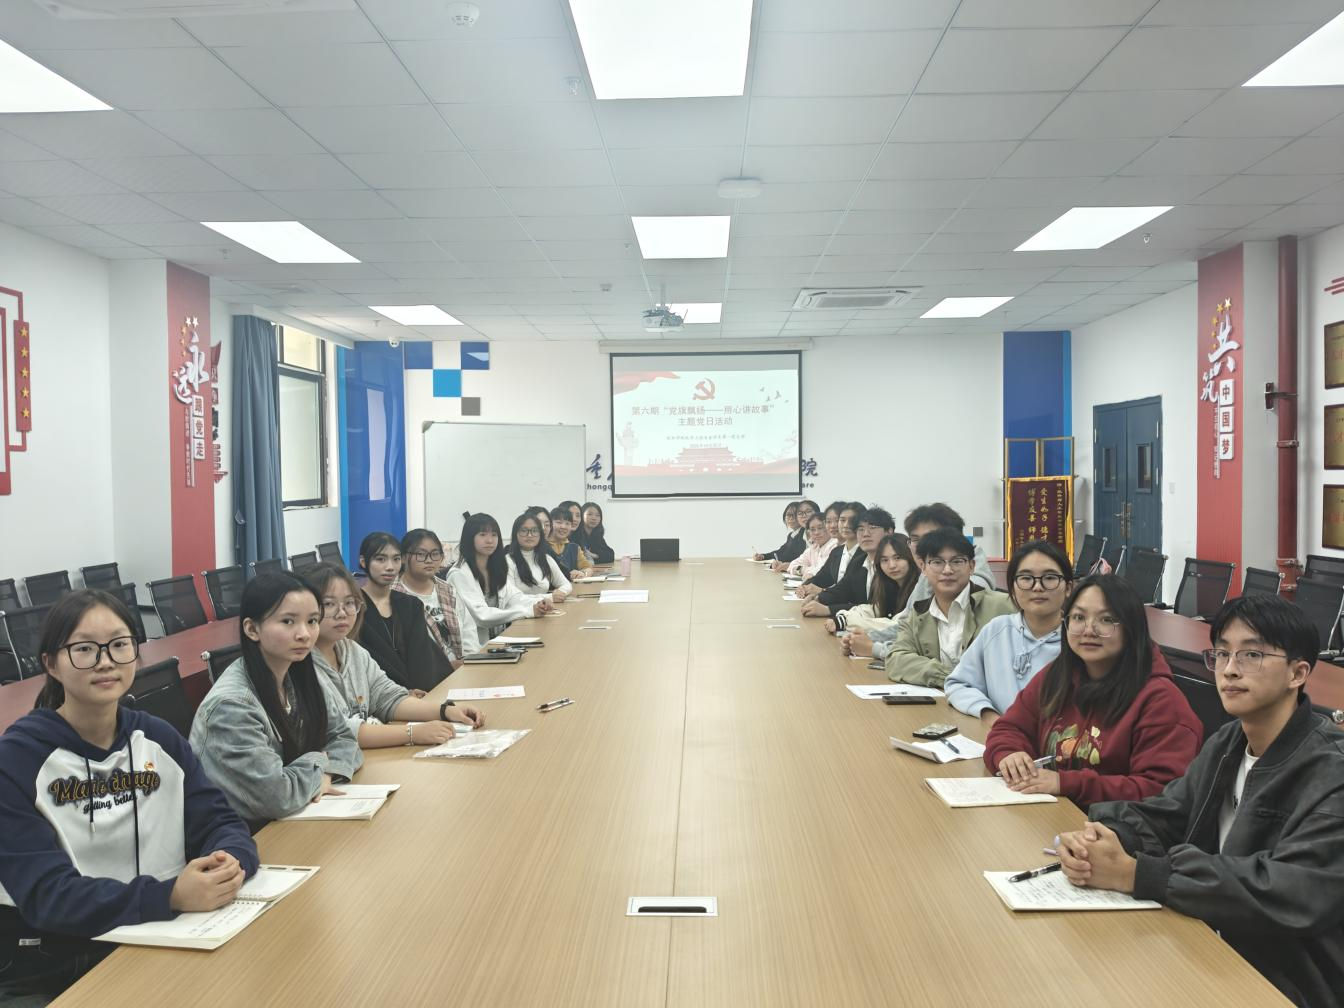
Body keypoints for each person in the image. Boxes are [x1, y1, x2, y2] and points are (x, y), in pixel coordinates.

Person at [1058, 595, 1344, 1008]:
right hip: (1212, 944)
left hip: (1288, 981)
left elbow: (1288, 890)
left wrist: (1141, 875)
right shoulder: (1229, 741)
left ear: (1298, 673)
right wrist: (1105, 839)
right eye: (1223, 653)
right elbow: (1169, 814)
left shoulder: (1332, 770)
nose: (1229, 669)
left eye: (1251, 655)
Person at [0, 590, 258, 1002]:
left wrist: (230, 860)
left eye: (120, 645)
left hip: (161, 935)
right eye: (85, 649)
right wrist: (170, 895)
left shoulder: (157, 737)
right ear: (50, 663)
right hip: (56, 960)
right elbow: (47, 895)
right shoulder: (17, 759)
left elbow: (221, 821)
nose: (105, 661)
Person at [984, 574, 1202, 805]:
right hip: (1053, 812)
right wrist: (1009, 754)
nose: (1089, 630)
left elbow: (1160, 792)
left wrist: (1066, 783)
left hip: (1110, 825)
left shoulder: (1161, 702)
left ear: (1131, 627)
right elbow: (1008, 728)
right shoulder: (1058, 675)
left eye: (1106, 619)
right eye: (1078, 617)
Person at [190, 573, 363, 829]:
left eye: (312, 621)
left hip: (291, 821)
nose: (304, 634)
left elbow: (345, 739)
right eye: (288, 621)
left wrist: (325, 775)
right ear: (252, 629)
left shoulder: (298, 675)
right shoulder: (232, 706)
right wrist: (319, 762)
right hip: (241, 836)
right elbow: (277, 796)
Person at [305, 563, 484, 749]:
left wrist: (445, 710)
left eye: (349, 603)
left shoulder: (352, 651)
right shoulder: (301, 665)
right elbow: (338, 731)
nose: (342, 613)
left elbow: (388, 697)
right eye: (329, 604)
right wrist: (412, 733)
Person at [944, 540, 1073, 726]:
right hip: (1000, 736)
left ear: (1068, 588)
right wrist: (990, 716)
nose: (1037, 587)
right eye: (1026, 578)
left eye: (1050, 577)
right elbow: (958, 684)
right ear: (1012, 587)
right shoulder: (997, 630)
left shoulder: (1079, 639)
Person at [884, 527, 1016, 687]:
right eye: (937, 562)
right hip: (942, 700)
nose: (947, 570)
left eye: (957, 561)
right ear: (923, 567)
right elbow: (896, 660)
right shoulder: (918, 615)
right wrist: (952, 677)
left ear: (972, 566)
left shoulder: (1004, 607)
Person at [867, 502, 998, 661]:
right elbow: (906, 626)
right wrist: (868, 638)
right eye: (915, 539)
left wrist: (876, 648)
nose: (920, 547)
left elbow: (949, 658)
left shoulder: (972, 584)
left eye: (930, 538)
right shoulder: (927, 574)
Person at [353, 532, 455, 691]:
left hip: (420, 692)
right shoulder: (355, 608)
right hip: (378, 693)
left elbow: (422, 658)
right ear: (363, 562)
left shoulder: (411, 605)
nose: (390, 567)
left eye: (396, 559)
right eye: (380, 559)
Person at [449, 512, 551, 654]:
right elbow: (482, 616)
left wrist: (540, 602)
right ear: (469, 538)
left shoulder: (494, 566)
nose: (490, 540)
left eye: (494, 535)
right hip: (475, 650)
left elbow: (514, 597)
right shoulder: (460, 573)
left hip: (499, 643)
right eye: (482, 535)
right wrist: (527, 611)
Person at [394, 528, 475, 667]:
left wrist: (469, 661)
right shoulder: (394, 596)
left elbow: (469, 632)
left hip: (462, 670)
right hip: (424, 675)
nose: (429, 560)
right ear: (404, 557)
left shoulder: (448, 590)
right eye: (421, 554)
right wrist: (446, 668)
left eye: (435, 554)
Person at [800, 506, 894, 619]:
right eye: (860, 529)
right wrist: (819, 598)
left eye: (872, 528)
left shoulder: (892, 565)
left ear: (889, 532)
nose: (865, 534)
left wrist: (829, 610)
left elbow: (878, 608)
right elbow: (842, 589)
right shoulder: (860, 562)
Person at [829, 533, 919, 646]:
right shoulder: (889, 585)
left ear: (910, 557)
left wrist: (847, 621)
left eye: (897, 558)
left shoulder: (920, 588)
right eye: (885, 560)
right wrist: (844, 617)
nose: (892, 565)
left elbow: (895, 627)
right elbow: (872, 609)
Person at [797, 502, 864, 599]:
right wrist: (804, 587)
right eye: (842, 520)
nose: (833, 525)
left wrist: (822, 592)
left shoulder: (865, 554)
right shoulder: (837, 552)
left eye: (836, 520)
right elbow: (822, 577)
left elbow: (850, 592)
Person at [505, 512, 572, 603]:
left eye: (534, 531)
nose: (529, 535)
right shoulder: (508, 561)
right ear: (515, 534)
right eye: (524, 531)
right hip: (520, 610)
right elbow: (512, 597)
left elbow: (566, 584)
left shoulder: (546, 559)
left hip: (544, 608)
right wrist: (549, 597)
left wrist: (560, 592)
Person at [785, 511, 837, 581]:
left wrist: (805, 570)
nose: (816, 533)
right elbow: (792, 565)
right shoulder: (814, 547)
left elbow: (821, 570)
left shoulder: (835, 545)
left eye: (820, 528)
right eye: (812, 529)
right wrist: (803, 570)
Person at [770, 500, 819, 572]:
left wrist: (794, 567)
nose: (804, 515)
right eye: (800, 513)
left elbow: (822, 568)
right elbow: (798, 561)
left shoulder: (824, 537)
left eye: (808, 511)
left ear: (818, 514)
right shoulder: (804, 536)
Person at [548, 507, 592, 578]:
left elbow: (588, 568)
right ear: (549, 524)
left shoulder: (574, 548)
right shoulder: (541, 547)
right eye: (559, 522)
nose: (563, 527)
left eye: (567, 523)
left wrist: (582, 573)